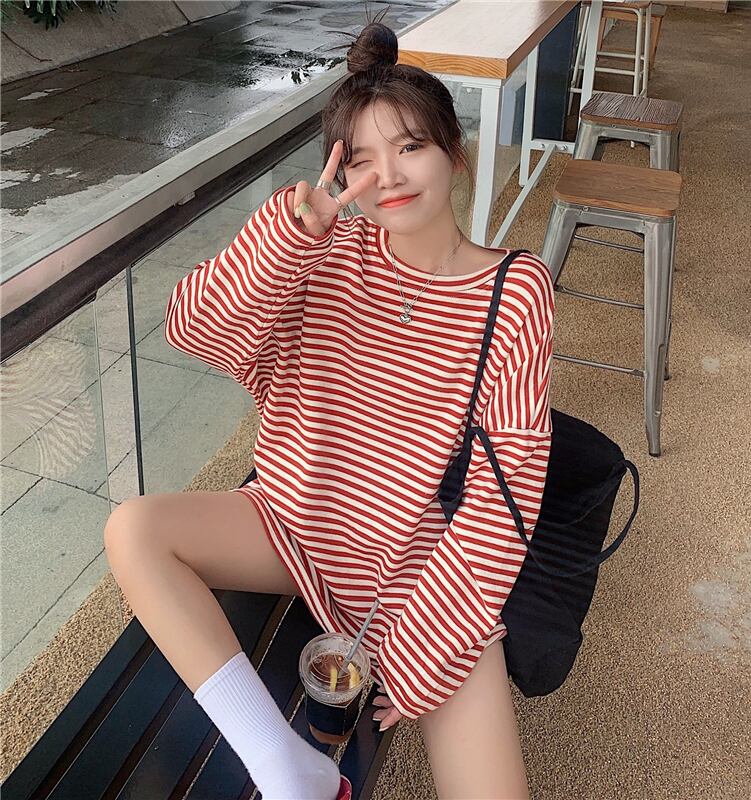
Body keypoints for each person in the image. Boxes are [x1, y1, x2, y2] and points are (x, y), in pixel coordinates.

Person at [104, 16, 553, 800]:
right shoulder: (326, 252)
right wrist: (290, 236)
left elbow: (505, 491)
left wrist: (417, 653)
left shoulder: (514, 291)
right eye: (363, 160)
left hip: (418, 573)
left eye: (411, 146)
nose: (391, 176)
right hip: (294, 524)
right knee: (134, 529)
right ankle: (285, 767)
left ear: (455, 151)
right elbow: (193, 328)